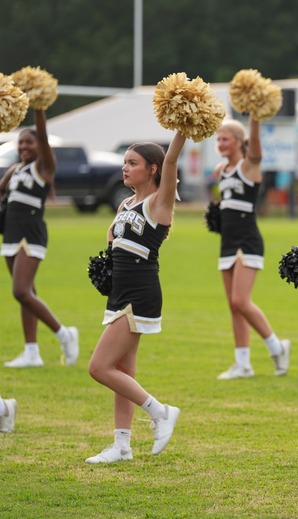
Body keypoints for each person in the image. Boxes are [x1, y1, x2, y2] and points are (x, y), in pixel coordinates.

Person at [85, 136, 185, 464]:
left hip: (140, 292)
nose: (125, 168)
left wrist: (182, 128)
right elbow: (113, 240)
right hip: (120, 292)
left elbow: (172, 161)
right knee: (123, 370)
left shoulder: (159, 203)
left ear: (152, 169)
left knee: (99, 367)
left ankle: (161, 412)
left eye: (133, 163)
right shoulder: (124, 204)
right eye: (124, 162)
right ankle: (122, 445)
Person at [0, 110, 79, 369]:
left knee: (20, 290)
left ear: (39, 146)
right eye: (20, 142)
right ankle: (31, 352)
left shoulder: (43, 167)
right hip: (11, 234)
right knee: (27, 294)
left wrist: (38, 108)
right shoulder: (15, 170)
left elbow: (43, 135)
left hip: (30, 234)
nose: (24, 146)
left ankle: (64, 334)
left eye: (29, 142)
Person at [212, 118, 289, 380]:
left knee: (240, 301)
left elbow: (255, 148)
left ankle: (276, 347)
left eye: (225, 139)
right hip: (227, 242)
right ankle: (242, 364)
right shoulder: (221, 170)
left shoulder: (249, 166)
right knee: (233, 306)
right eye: (218, 139)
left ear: (238, 141)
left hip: (247, 241)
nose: (220, 143)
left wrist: (255, 118)